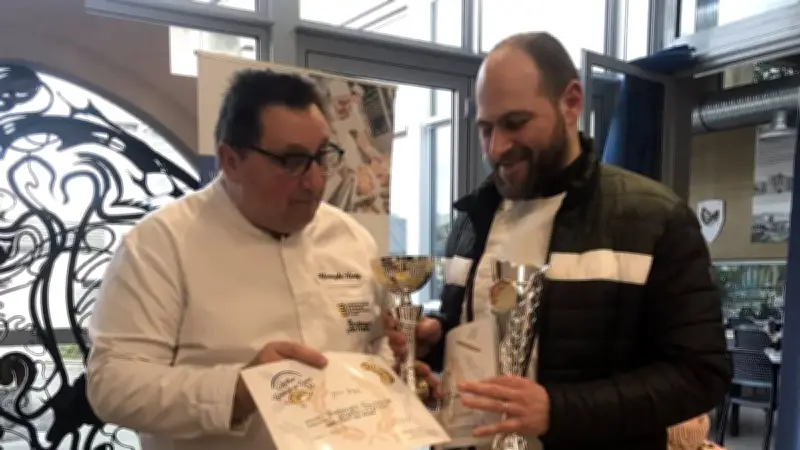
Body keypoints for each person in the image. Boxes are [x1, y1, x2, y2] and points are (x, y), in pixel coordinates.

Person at [387, 32, 730, 449]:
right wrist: (436, 339)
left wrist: (559, 409)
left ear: (570, 103)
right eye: (485, 128)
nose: (496, 148)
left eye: (515, 124)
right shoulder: (472, 220)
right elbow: (481, 339)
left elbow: (700, 375)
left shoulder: (655, 219)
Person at [86, 69, 436, 450]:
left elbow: (373, 344)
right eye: (291, 161)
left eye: (321, 156)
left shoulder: (352, 239)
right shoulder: (160, 245)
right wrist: (238, 389)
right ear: (230, 160)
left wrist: (393, 374)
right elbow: (112, 384)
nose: (315, 179)